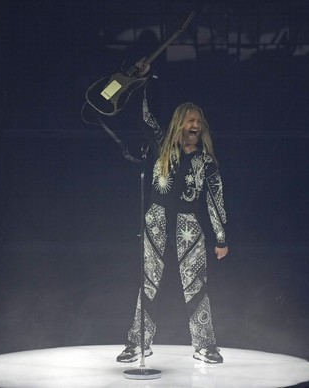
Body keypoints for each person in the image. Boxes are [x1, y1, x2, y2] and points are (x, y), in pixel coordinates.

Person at [115, 66, 229, 364]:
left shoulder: (207, 162)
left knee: (195, 285)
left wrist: (221, 238)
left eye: (199, 121)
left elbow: (215, 202)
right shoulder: (160, 145)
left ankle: (204, 345)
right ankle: (139, 342)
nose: (196, 124)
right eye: (191, 119)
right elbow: (144, 118)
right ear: (180, 124)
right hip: (156, 221)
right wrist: (141, 81)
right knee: (148, 282)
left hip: (190, 226)